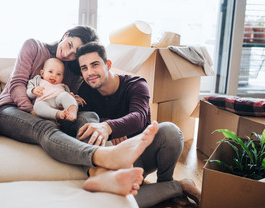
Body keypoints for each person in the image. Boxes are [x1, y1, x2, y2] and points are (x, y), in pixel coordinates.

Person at [0, 25, 158, 196]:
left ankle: (98, 174)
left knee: (89, 117)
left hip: (51, 114)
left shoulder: (74, 71)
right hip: (11, 110)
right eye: (69, 45)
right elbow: (17, 83)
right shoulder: (34, 46)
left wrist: (82, 109)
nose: (66, 54)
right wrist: (33, 112)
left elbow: (71, 101)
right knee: (44, 127)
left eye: (74, 54)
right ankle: (106, 157)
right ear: (66, 34)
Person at [75, 42, 201, 207]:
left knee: (170, 131)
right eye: (84, 68)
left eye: (95, 65)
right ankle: (176, 188)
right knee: (113, 202)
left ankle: (165, 181)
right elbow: (87, 121)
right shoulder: (85, 91)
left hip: (143, 153)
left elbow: (139, 117)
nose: (89, 72)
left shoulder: (136, 84)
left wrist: (109, 127)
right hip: (115, 162)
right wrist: (109, 124)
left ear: (108, 64)